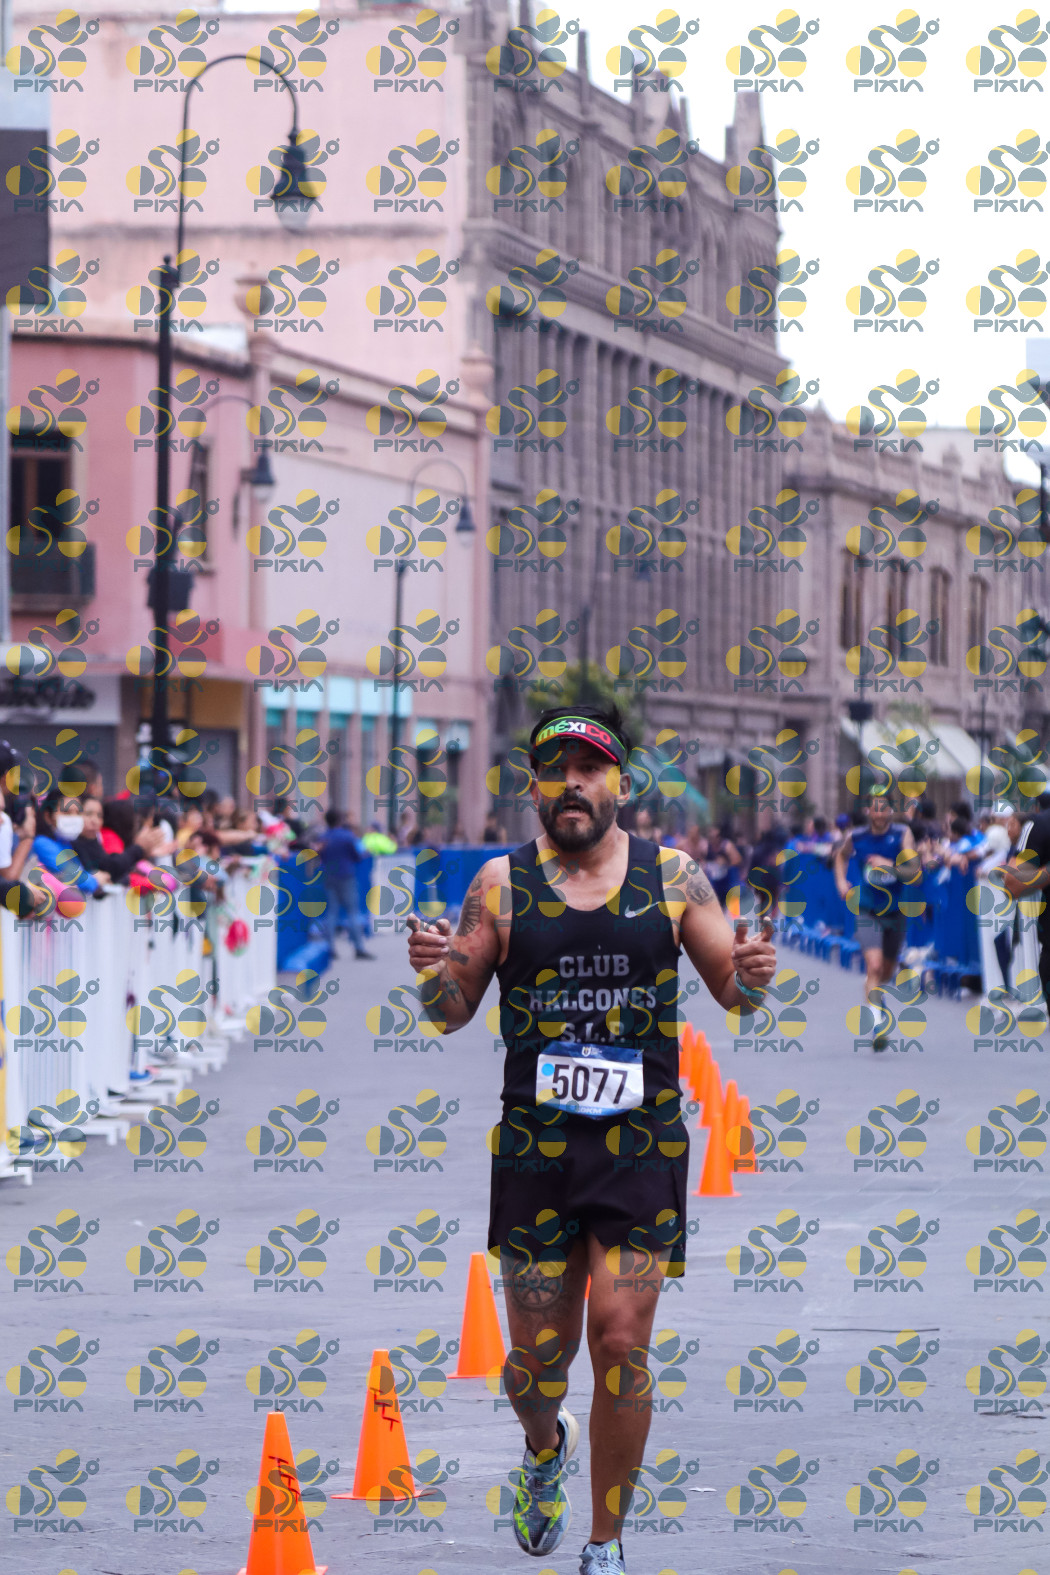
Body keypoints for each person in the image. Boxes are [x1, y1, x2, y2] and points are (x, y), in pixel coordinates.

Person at [405, 703, 775, 1575]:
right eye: (555, 769)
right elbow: (451, 1012)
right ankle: (545, 1447)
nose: (571, 783)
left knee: (620, 1340)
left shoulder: (673, 877)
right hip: (536, 1150)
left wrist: (755, 975)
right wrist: (430, 973)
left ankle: (605, 1544)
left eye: (590, 768)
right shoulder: (500, 883)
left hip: (640, 1145)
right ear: (534, 785)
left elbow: (734, 990)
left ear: (621, 782)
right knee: (536, 1365)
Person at [833, 790, 921, 1049]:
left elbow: (914, 870)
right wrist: (841, 881)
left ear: (891, 811)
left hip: (895, 911)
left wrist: (889, 864)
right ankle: (877, 1024)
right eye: (875, 808)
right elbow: (840, 856)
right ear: (868, 811)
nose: (880, 814)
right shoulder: (856, 836)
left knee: (886, 972)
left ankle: (875, 996)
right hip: (867, 909)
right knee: (873, 965)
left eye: (884, 808)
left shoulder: (902, 834)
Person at [318, 808, 375, 960]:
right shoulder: (347, 836)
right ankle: (358, 948)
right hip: (346, 876)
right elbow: (357, 855)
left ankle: (330, 948)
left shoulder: (324, 837)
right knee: (352, 912)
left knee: (331, 912)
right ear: (339, 820)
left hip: (329, 875)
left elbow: (318, 854)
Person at [33, 791, 112, 896]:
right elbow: (74, 876)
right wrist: (95, 880)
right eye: (66, 812)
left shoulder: (68, 843)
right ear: (48, 816)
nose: (74, 817)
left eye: (78, 813)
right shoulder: (42, 844)